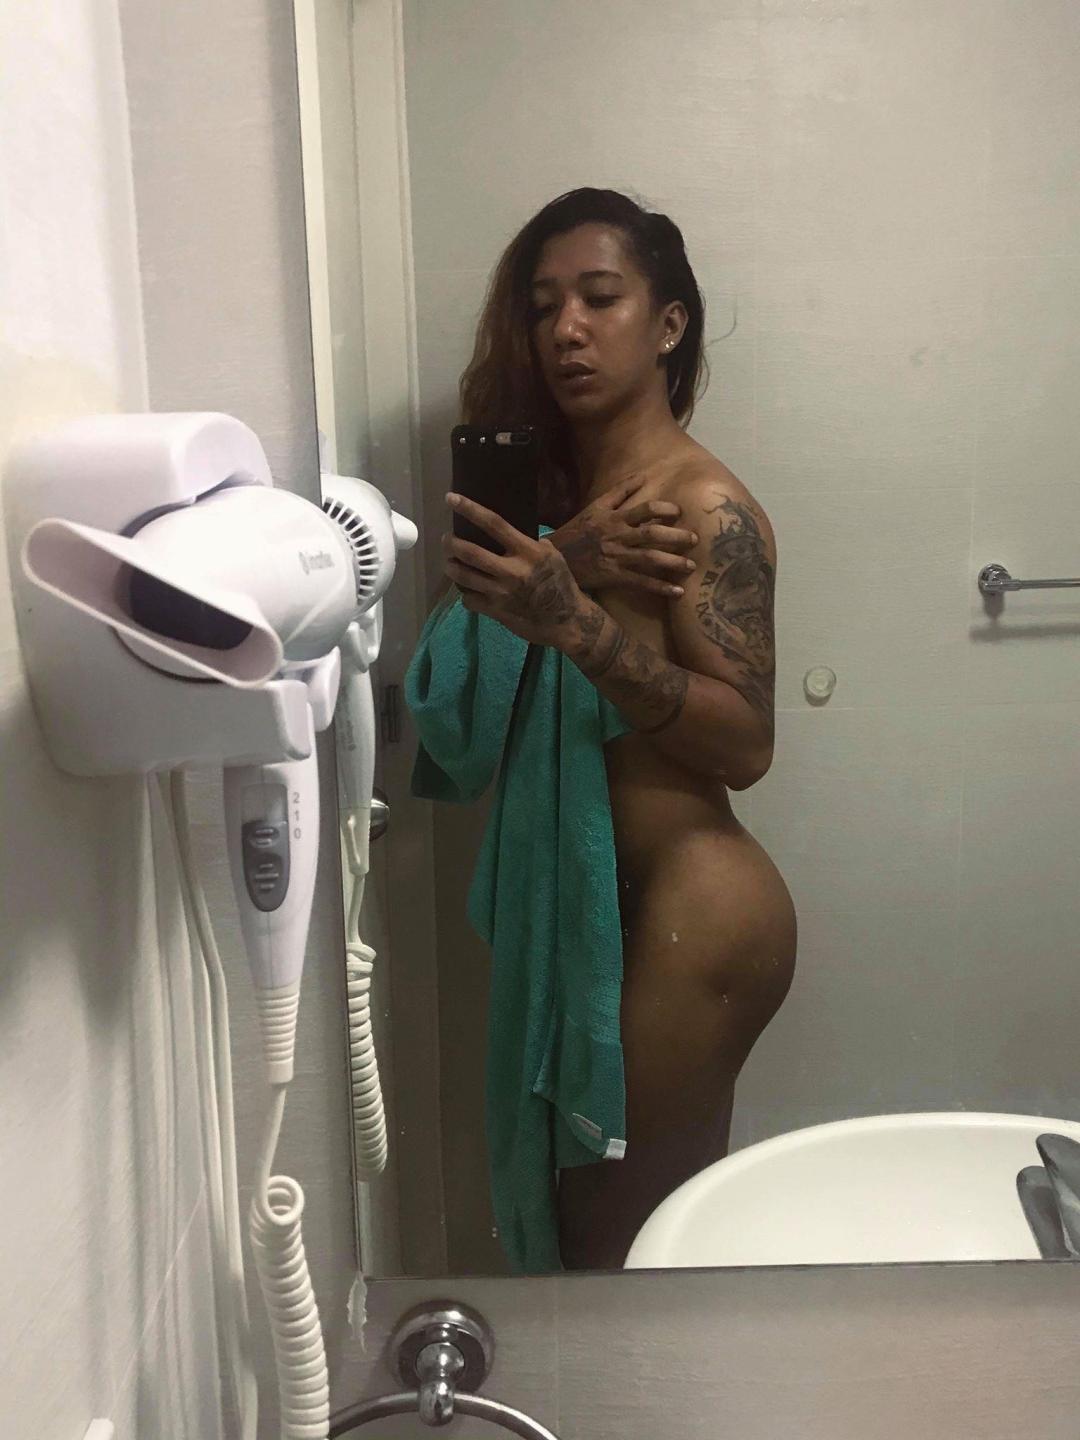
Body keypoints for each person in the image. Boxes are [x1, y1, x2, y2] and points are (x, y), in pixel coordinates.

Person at [440, 188, 796, 1269]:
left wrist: (581, 626)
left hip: (701, 914)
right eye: (544, 305)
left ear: (669, 323)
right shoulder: (567, 511)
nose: (568, 329)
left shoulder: (701, 506)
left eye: (601, 298)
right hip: (600, 924)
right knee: (600, 1244)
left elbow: (746, 744)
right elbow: (454, 705)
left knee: (627, 1253)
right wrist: (570, 560)